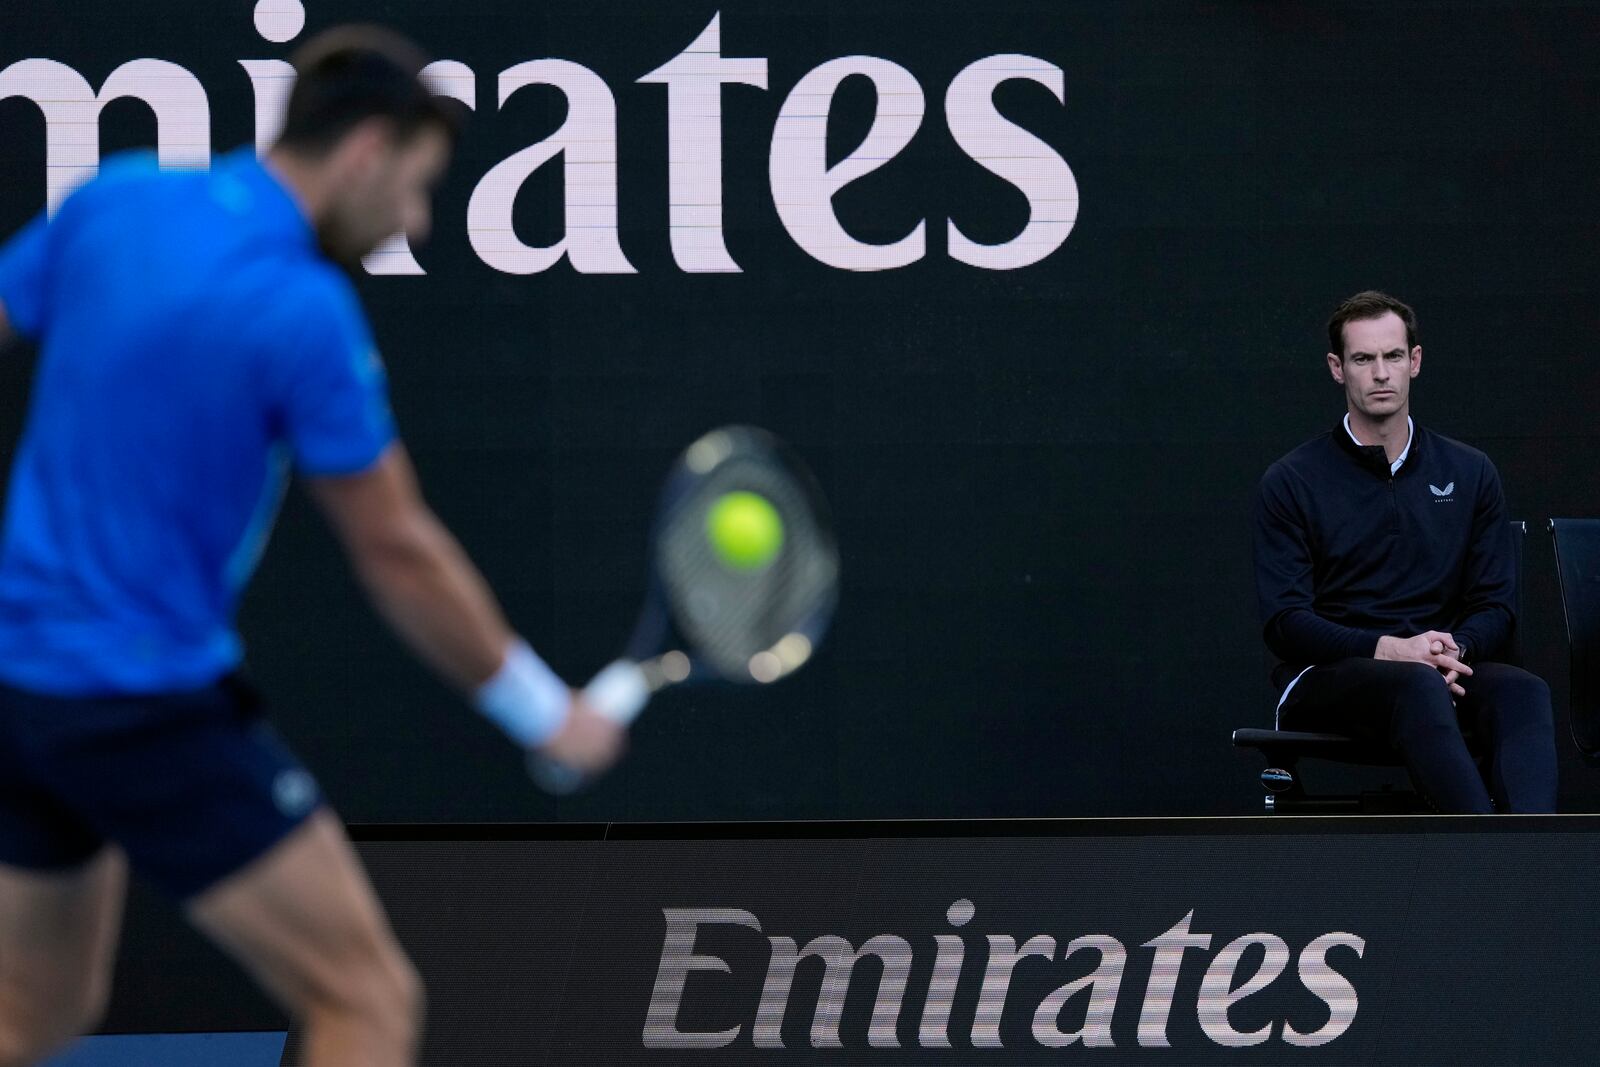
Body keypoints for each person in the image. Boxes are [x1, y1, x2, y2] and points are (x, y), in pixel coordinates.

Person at [0, 26, 624, 1067]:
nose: (410, 221)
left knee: (31, 1015)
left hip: (16, 690)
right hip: (139, 704)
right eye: (415, 187)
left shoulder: (120, 200)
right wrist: (540, 709)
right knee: (366, 1000)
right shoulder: (303, 312)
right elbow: (396, 548)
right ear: (365, 151)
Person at [1252, 290, 1557, 814]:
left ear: (1414, 362)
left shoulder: (1470, 470)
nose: (1380, 373)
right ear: (1337, 368)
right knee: (1416, 686)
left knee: (1523, 691)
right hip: (1330, 677)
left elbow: (1496, 604)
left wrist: (1452, 650)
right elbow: (1285, 622)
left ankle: (1530, 864)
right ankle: (1489, 860)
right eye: (1363, 359)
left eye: (1393, 356)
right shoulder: (1291, 480)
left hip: (1443, 668)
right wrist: (1390, 649)